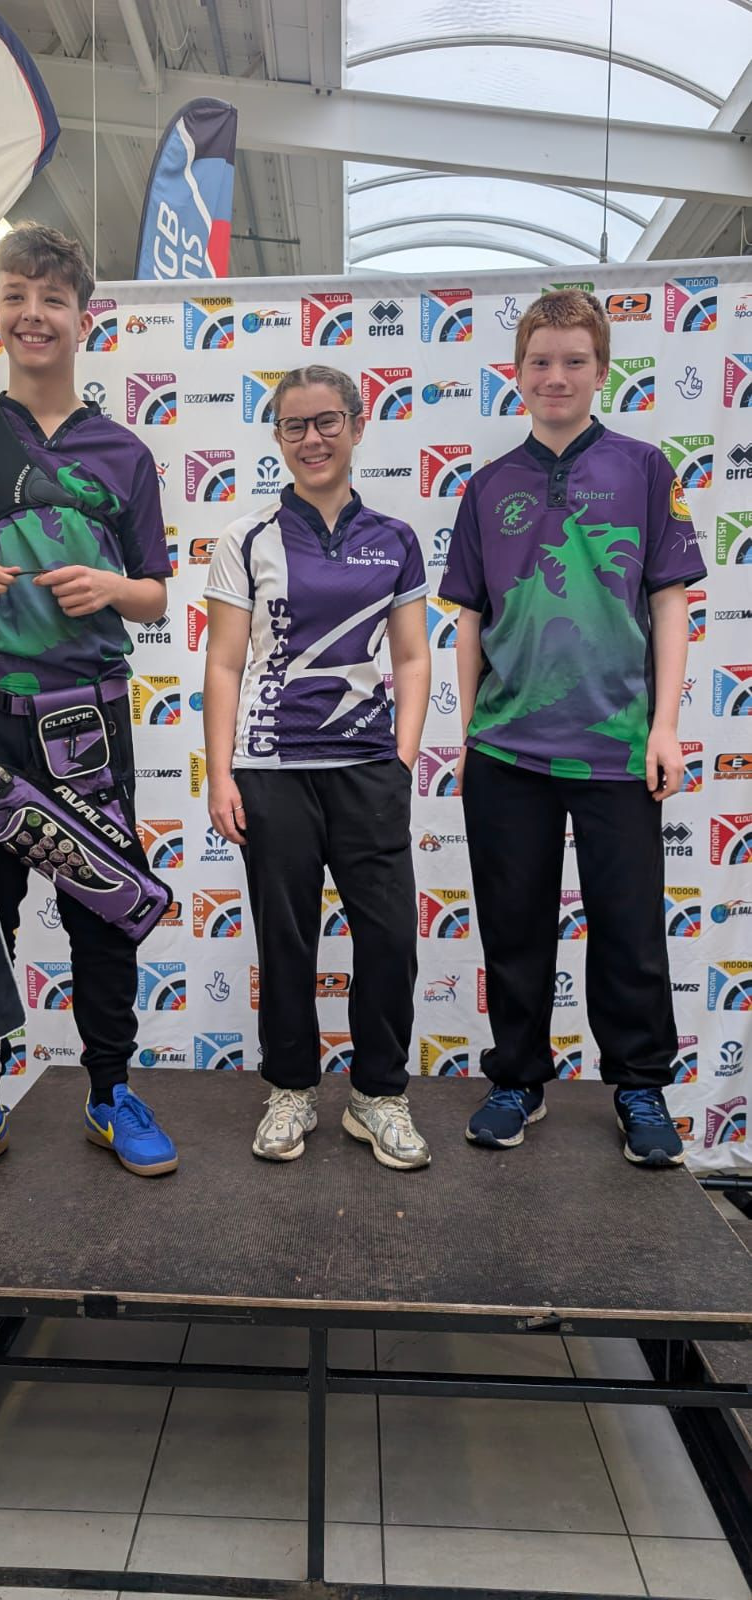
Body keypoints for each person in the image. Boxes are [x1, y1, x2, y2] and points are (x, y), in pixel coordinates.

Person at [0, 222, 178, 1199]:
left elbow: (156, 593)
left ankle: (112, 1092)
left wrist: (111, 586)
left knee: (102, 907)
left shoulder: (126, 453)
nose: (34, 314)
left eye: (52, 299)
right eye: (17, 295)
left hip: (89, 724)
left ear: (82, 317)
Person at [440, 289, 706, 1167]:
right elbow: (467, 620)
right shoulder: (486, 488)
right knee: (512, 926)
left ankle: (639, 1088)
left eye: (574, 361)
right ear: (516, 374)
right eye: (540, 362)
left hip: (620, 745)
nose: (556, 377)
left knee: (630, 930)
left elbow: (669, 605)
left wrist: (665, 726)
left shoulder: (642, 468)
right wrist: (470, 731)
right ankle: (517, 1079)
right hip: (508, 750)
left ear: (601, 370)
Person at [203, 365, 432, 1170]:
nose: (313, 439)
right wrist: (219, 771)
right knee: (288, 941)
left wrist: (401, 760)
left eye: (328, 422)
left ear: (358, 426)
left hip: (369, 769)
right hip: (273, 769)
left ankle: (378, 1097)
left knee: (389, 940)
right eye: (295, 426)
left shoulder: (396, 539)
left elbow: (411, 658)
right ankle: (293, 1089)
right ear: (276, 438)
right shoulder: (246, 538)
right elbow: (225, 665)